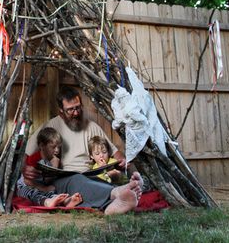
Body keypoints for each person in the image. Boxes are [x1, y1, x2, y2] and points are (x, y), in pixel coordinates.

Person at [23, 86, 143, 215]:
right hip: (63, 180)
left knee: (97, 180)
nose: (76, 113)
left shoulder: (91, 127)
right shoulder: (50, 126)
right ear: (61, 112)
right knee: (77, 179)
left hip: (90, 176)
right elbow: (25, 154)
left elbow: (115, 152)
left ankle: (111, 207)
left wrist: (121, 159)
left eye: (78, 107)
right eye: (70, 110)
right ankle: (116, 192)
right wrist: (24, 168)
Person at [16, 127, 82, 207]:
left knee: (52, 192)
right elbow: (27, 181)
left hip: (41, 187)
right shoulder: (34, 159)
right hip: (26, 186)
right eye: (53, 147)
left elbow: (49, 180)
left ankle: (65, 201)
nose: (57, 150)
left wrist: (55, 166)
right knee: (31, 193)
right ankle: (46, 202)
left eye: (58, 147)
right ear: (42, 146)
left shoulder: (52, 160)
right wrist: (44, 188)